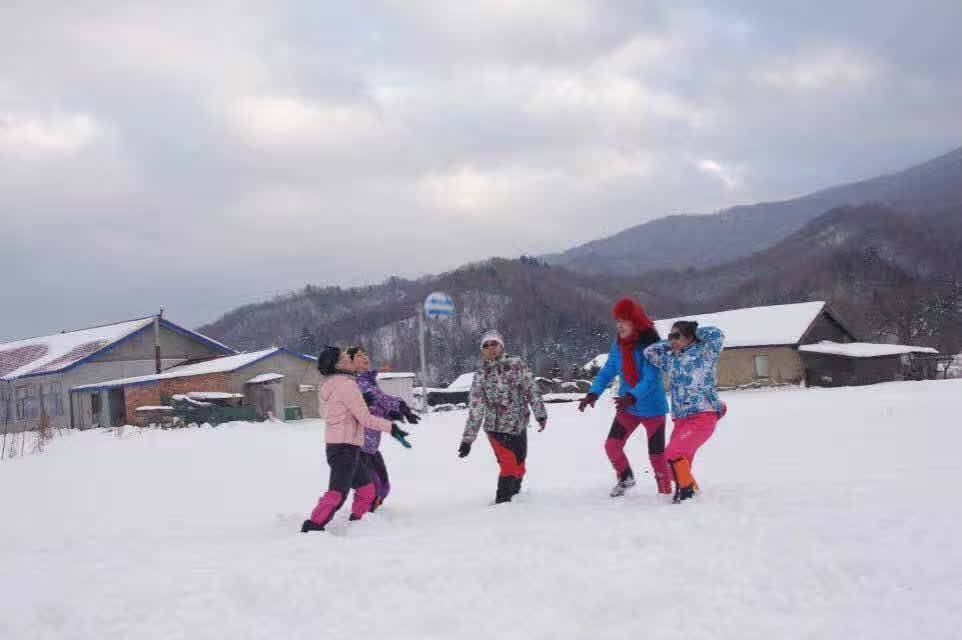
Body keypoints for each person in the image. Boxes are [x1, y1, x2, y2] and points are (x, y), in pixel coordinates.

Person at [301, 346, 412, 533]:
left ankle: (357, 523)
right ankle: (313, 526)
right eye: (346, 357)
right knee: (337, 493)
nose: (349, 360)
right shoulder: (346, 385)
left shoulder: (329, 385)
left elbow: (327, 413)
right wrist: (391, 428)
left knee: (367, 489)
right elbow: (365, 418)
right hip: (344, 449)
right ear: (340, 364)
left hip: (345, 447)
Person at [579, 298, 671, 497]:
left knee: (656, 455)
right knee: (612, 446)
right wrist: (593, 392)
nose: (619, 325)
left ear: (635, 322)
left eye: (624, 321)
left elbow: (650, 378)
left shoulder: (651, 346)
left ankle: (665, 490)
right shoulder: (618, 345)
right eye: (617, 321)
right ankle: (625, 477)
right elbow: (608, 370)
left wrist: (632, 396)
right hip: (628, 407)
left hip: (652, 409)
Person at [458, 330, 548, 504]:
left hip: (519, 425)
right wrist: (467, 440)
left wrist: (540, 414)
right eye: (486, 345)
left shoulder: (516, 365)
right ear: (482, 350)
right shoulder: (480, 376)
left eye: (494, 344)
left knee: (520, 468)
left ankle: (516, 500)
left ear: (501, 346)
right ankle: (503, 504)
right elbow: (476, 409)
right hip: (495, 429)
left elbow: (531, 389)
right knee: (508, 466)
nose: (490, 348)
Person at [644, 321, 726, 503]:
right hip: (681, 420)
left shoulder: (705, 353)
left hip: (703, 415)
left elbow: (716, 333)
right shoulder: (670, 359)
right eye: (670, 336)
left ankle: (686, 493)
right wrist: (671, 342)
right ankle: (692, 493)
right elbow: (649, 352)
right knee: (673, 464)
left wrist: (694, 331)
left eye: (677, 335)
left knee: (672, 453)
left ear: (690, 337)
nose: (672, 339)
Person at [349, 345, 420, 512]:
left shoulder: (366, 380)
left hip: (371, 447)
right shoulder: (355, 381)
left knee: (383, 487)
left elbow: (374, 407)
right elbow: (379, 398)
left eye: (365, 354)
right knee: (373, 488)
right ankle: (360, 518)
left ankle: (368, 515)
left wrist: (392, 413)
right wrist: (401, 406)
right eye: (359, 355)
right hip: (358, 447)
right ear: (350, 362)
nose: (365, 357)